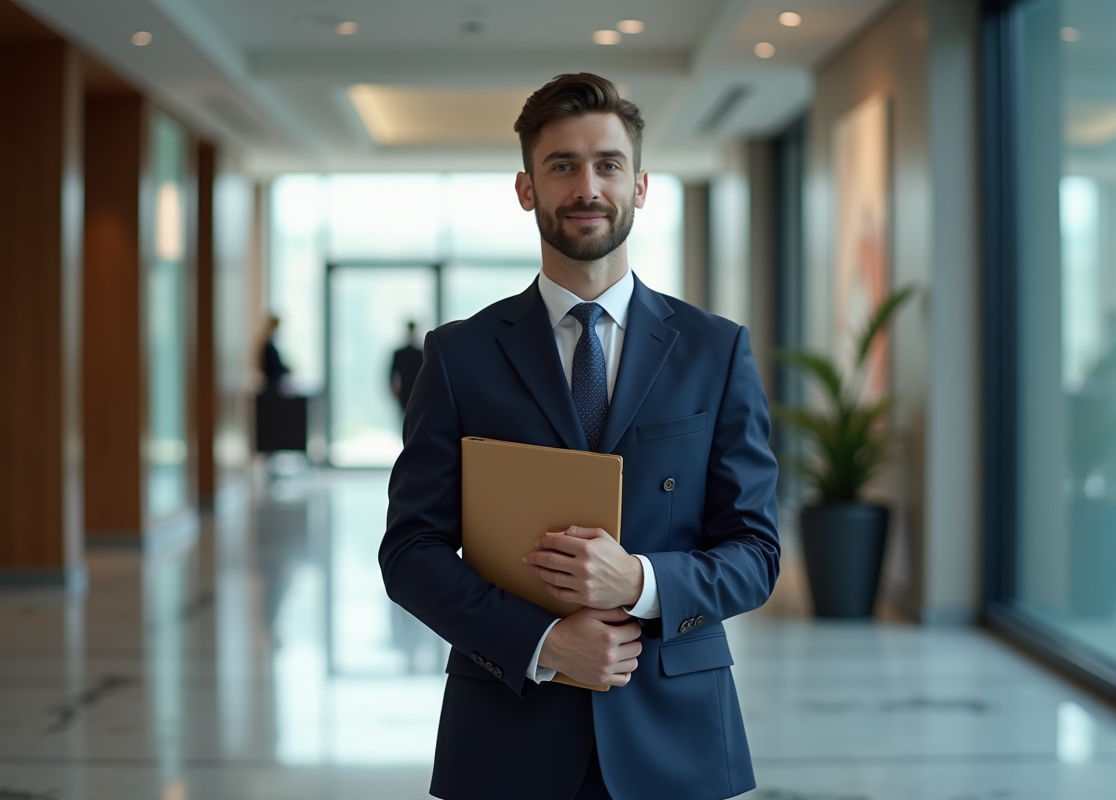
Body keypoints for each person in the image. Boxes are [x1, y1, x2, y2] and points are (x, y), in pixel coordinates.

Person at [379, 73, 779, 800]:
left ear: (642, 184)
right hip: (508, 727)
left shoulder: (716, 351)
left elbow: (756, 551)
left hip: (675, 730)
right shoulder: (459, 356)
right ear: (527, 189)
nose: (587, 186)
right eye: (562, 166)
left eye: (607, 164)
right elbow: (409, 552)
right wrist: (542, 644)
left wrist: (643, 582)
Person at [389, 320, 424, 426]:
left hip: (410, 393)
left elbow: (391, 377)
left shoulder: (401, 353)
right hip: (410, 393)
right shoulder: (420, 353)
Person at [259, 314, 290, 393]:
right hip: (272, 382)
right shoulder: (268, 346)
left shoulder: (270, 344)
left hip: (274, 381)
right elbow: (272, 365)